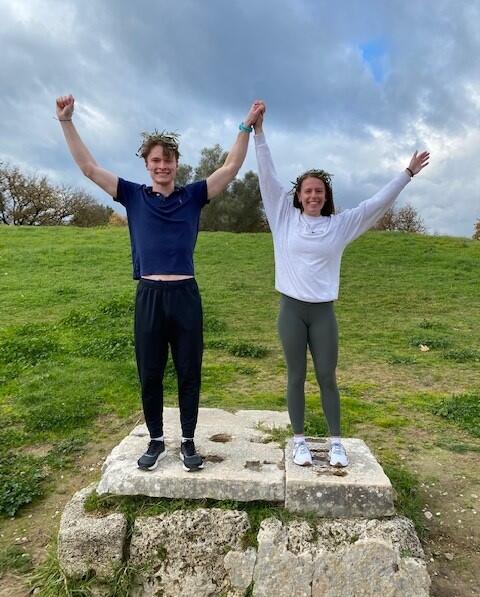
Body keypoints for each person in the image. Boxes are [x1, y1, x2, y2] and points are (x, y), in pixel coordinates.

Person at [56, 94, 263, 472]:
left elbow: (231, 167)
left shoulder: (193, 196)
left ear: (176, 164)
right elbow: (88, 168)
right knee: (150, 371)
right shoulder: (132, 195)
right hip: (150, 294)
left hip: (186, 295)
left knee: (188, 370)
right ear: (147, 164)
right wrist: (66, 122)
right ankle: (154, 440)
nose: (162, 166)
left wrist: (244, 126)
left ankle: (187, 442)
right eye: (155, 160)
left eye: (168, 160)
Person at [253, 101, 429, 468]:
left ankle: (335, 442)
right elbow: (267, 177)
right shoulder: (283, 217)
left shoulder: (340, 225)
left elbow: (375, 204)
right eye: (307, 191)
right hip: (290, 310)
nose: (313, 196)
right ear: (298, 196)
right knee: (296, 376)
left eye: (319, 191)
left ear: (326, 196)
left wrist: (406, 174)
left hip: (322, 314)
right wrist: (258, 133)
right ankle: (299, 440)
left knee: (327, 377)